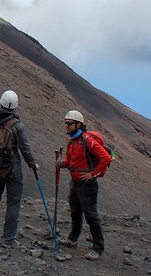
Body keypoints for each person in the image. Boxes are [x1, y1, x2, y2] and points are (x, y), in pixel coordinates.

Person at [0, 90, 38, 246]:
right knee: (13, 203)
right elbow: (25, 148)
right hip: (12, 169)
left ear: (1, 102)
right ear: (15, 107)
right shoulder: (18, 125)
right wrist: (32, 164)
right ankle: (8, 239)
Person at [58, 110, 111, 261]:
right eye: (65, 123)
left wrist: (92, 174)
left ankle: (98, 248)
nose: (66, 126)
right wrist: (61, 164)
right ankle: (72, 239)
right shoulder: (71, 141)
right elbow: (70, 162)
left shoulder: (88, 141)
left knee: (91, 216)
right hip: (74, 182)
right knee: (75, 212)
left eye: (69, 123)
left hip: (87, 184)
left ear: (78, 124)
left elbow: (106, 158)